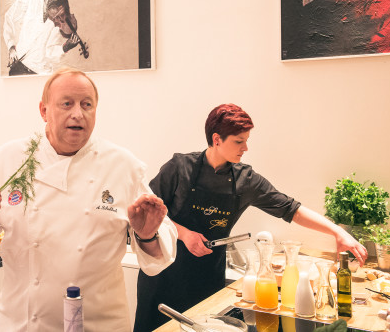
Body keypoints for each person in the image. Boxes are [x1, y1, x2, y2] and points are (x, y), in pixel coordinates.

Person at [0, 67, 177, 331]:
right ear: (44, 110)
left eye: (87, 105)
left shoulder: (123, 166)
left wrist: (147, 234)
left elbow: (158, 255)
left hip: (99, 323)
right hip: (23, 322)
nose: (78, 114)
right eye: (66, 104)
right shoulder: (7, 160)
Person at [133, 104, 368, 331]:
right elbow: (146, 214)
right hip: (162, 275)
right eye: (239, 141)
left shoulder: (246, 180)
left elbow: (291, 208)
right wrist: (184, 234)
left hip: (205, 279)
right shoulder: (179, 168)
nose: (245, 148)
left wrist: (338, 232)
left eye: (246, 141)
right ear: (217, 139)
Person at [3, 0, 83, 76]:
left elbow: (50, 53)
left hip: (41, 73)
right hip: (19, 65)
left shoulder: (61, 14)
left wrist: (65, 47)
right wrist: (11, 46)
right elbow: (10, 17)